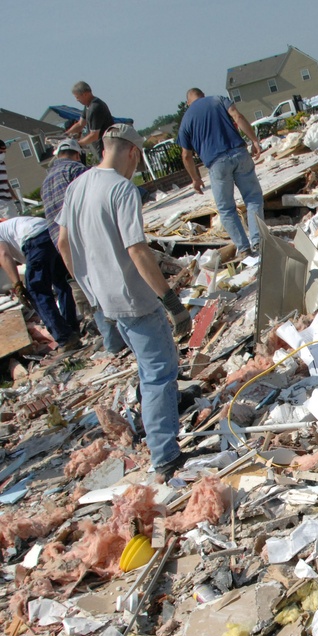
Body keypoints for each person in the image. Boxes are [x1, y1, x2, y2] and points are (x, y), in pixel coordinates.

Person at [57, 124, 193, 478]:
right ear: (132, 152)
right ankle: (165, 455)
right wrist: (171, 302)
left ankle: (163, 413)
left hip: (105, 299)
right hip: (135, 299)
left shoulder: (76, 187)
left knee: (148, 368)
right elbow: (136, 249)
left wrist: (88, 290)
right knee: (159, 373)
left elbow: (63, 244)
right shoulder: (122, 189)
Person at [41, 138, 126, 354]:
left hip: (64, 246)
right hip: (86, 236)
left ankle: (112, 343)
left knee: (91, 291)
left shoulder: (46, 181)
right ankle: (125, 336)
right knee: (108, 283)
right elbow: (95, 196)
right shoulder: (76, 170)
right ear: (77, 154)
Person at [177, 88, 265, 258]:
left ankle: (244, 249)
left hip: (216, 163)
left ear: (188, 102)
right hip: (239, 153)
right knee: (253, 198)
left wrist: (195, 179)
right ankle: (259, 242)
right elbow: (237, 117)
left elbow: (186, 155)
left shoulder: (186, 120)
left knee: (226, 209)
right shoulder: (218, 99)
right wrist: (254, 140)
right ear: (202, 95)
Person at [0, 215, 80, 351]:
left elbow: (4, 256)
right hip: (50, 232)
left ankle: (65, 338)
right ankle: (71, 329)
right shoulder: (8, 227)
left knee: (37, 293)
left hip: (34, 239)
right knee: (62, 285)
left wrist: (17, 285)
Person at [67, 81, 115, 160]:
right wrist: (65, 134)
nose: (76, 100)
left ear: (85, 94)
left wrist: (75, 145)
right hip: (102, 149)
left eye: (77, 97)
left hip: (107, 149)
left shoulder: (95, 107)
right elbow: (80, 124)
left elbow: (94, 135)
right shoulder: (88, 106)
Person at [0, 140, 18, 218]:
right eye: (1, 151)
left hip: (8, 199)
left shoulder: (2, 164)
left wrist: (15, 198)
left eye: (4, 151)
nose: (4, 153)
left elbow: (6, 182)